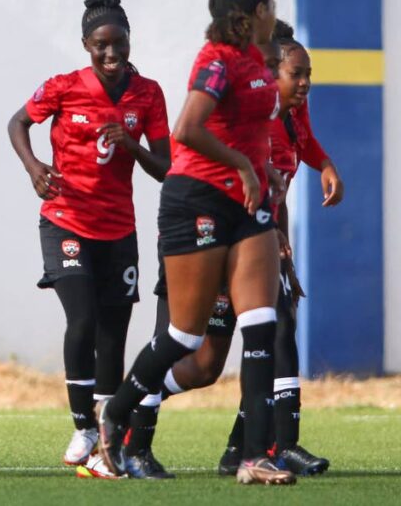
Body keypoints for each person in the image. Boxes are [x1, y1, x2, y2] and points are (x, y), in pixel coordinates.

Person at [96, 0, 297, 486]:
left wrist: (265, 168)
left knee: (262, 322)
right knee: (185, 334)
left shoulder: (259, 60)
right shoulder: (217, 59)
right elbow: (188, 129)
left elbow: (250, 130)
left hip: (248, 204)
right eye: (270, 4)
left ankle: (254, 460)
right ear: (253, 11)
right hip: (197, 200)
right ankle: (116, 412)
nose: (275, 11)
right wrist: (244, 166)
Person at [124, 23, 342, 478]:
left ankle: (264, 446)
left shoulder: (292, 114)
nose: (304, 83)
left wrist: (322, 168)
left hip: (252, 235)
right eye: (295, 73)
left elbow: (284, 178)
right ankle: (130, 431)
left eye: (308, 74)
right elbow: (196, 150)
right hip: (200, 233)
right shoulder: (243, 110)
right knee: (194, 356)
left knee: (274, 329)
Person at [7, 0, 170, 479]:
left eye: (119, 44)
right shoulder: (63, 86)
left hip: (118, 228)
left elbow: (165, 167)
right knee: (81, 319)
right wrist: (35, 168)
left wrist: (132, 145)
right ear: (86, 47)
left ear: (129, 42)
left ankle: (106, 431)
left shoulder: (148, 93)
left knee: (114, 332)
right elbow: (17, 123)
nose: (111, 53)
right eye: (101, 46)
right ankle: (82, 423)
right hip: (66, 221)